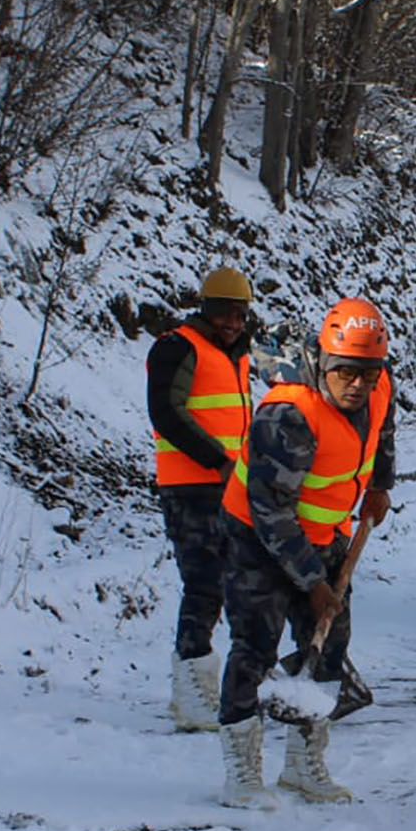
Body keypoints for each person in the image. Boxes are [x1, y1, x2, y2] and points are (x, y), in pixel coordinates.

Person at [213, 297, 397, 808]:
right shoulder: (288, 415)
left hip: (326, 532)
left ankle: (303, 763)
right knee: (255, 646)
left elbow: (384, 433)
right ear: (323, 362)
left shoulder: (379, 387)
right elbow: (271, 511)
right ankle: (242, 773)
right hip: (257, 536)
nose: (358, 384)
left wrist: (380, 484)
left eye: (368, 372)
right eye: (345, 372)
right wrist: (312, 583)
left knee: (330, 645)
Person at [146, 267, 256, 732]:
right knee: (204, 585)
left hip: (232, 487)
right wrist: (217, 460)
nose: (231, 321)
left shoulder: (238, 354)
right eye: (221, 312)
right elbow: (166, 412)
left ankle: (221, 686)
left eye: (238, 313)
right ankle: (191, 691)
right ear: (203, 307)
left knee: (236, 584)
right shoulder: (178, 347)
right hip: (191, 487)